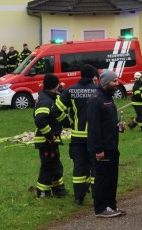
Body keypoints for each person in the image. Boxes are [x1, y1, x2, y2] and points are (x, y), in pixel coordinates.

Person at [52, 64, 99, 206]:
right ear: (93, 76)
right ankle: (97, 197)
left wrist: (67, 123)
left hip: (78, 137)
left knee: (79, 167)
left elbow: (56, 111)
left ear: (80, 74)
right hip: (94, 137)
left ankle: (79, 198)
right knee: (95, 167)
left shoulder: (71, 90)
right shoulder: (98, 91)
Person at [86, 69, 127, 218]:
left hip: (112, 145)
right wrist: (98, 149)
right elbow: (94, 127)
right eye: (114, 81)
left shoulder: (109, 98)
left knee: (111, 178)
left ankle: (111, 206)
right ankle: (101, 208)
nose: (117, 83)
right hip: (101, 147)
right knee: (102, 178)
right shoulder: (96, 100)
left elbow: (107, 123)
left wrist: (118, 126)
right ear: (105, 83)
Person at [33, 73, 68, 198]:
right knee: (48, 167)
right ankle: (43, 193)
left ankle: (58, 190)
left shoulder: (51, 98)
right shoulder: (45, 101)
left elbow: (58, 115)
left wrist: (71, 124)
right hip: (46, 141)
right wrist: (50, 136)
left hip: (51, 141)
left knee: (56, 166)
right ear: (56, 85)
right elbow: (39, 120)